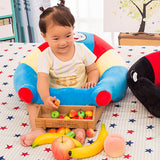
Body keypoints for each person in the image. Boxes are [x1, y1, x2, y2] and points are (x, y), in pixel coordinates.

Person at [20, 0, 99, 147]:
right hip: (56, 99)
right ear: (44, 37)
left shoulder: (81, 50)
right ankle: (38, 130)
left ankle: (80, 127)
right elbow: (42, 79)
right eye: (56, 38)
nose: (63, 42)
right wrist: (46, 98)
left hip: (79, 96)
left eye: (68, 36)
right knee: (31, 103)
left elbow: (93, 69)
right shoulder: (45, 56)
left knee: (98, 101)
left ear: (73, 29)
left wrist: (92, 82)